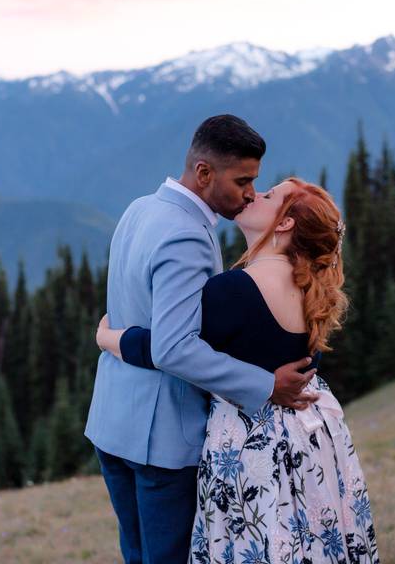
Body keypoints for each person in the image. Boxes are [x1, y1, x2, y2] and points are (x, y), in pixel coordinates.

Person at [96, 176, 381, 564]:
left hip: (253, 444)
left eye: (268, 195)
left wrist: (109, 338)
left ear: (284, 224)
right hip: (309, 441)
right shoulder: (308, 287)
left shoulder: (237, 289)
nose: (253, 195)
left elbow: (170, 347)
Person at [84, 115, 320, 564]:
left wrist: (110, 338)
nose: (251, 192)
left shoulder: (139, 209)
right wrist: (265, 385)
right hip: (161, 439)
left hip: (112, 423)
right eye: (243, 181)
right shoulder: (187, 234)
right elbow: (175, 347)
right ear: (204, 173)